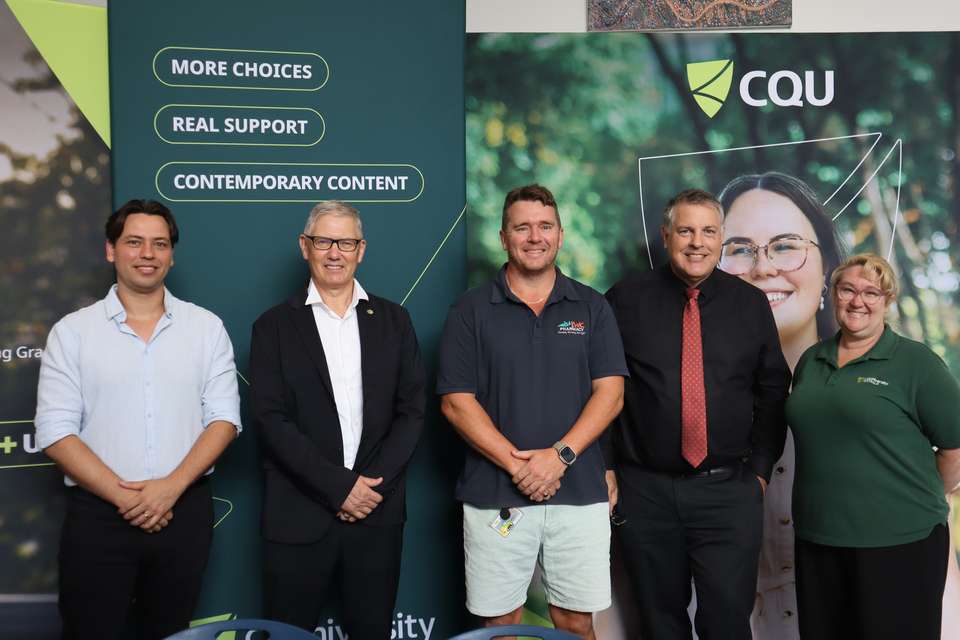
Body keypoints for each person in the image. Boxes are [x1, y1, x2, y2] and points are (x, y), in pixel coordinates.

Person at [34, 199, 241, 640]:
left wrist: (169, 490)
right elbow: (55, 431)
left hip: (182, 512)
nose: (147, 253)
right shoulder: (73, 332)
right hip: (98, 518)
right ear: (111, 250)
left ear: (171, 254)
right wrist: (128, 498)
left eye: (159, 244)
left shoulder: (206, 328)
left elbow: (224, 419)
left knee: (170, 633)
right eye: (134, 242)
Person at [438, 184, 626, 639]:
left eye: (544, 227)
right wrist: (518, 466)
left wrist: (557, 458)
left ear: (560, 235)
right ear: (504, 237)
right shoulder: (470, 310)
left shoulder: (592, 307)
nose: (534, 236)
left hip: (578, 491)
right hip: (496, 494)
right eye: (521, 227)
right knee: (499, 626)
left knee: (577, 623)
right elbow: (455, 402)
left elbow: (611, 394)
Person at [605, 188, 791, 640]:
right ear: (666, 235)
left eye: (708, 231)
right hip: (645, 491)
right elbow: (599, 390)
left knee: (727, 622)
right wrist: (607, 468)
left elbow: (772, 390)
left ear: (722, 238)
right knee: (658, 622)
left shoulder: (749, 304)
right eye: (685, 230)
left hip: (727, 491)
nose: (697, 242)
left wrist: (760, 472)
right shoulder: (624, 300)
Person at [250, 201, 425, 639]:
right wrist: (340, 487)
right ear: (304, 247)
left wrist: (370, 487)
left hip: (376, 516)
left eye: (345, 242)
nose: (334, 252)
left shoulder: (394, 321)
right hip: (298, 518)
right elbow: (270, 421)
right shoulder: (272, 327)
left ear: (360, 249)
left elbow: (411, 412)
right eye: (324, 241)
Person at [788, 253, 960, 640]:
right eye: (847, 289)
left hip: (901, 542)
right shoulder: (811, 361)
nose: (857, 301)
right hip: (819, 539)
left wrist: (912, 498)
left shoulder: (917, 364)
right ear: (833, 294)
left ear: (887, 301)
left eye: (871, 292)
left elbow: (955, 450)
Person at [718, 171, 844, 639]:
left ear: (828, 267)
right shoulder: (666, 401)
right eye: (739, 249)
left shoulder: (882, 392)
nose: (763, 267)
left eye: (786, 244)